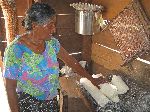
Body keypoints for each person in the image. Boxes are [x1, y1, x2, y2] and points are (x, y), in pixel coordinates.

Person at [2, 2, 101, 112]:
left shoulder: (52, 44)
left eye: (54, 24)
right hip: (28, 104)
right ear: (35, 26)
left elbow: (70, 61)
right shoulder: (16, 50)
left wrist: (92, 79)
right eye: (50, 26)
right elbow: (10, 87)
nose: (54, 30)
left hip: (51, 102)